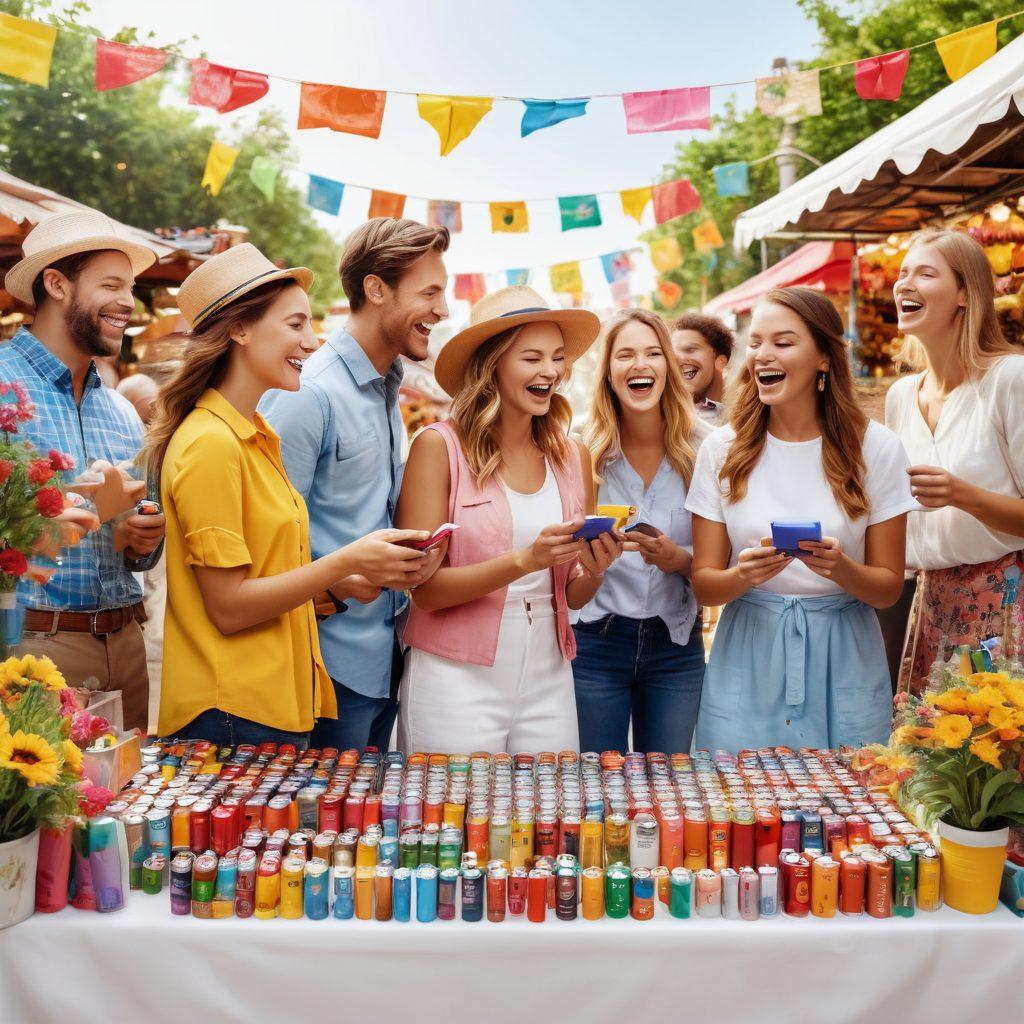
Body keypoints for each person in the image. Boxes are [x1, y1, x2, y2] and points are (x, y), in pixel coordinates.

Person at [148, 244, 431, 747]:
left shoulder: (253, 434)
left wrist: (340, 584)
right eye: (295, 324)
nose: (311, 340)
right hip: (232, 708)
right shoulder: (211, 443)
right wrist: (346, 562)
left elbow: (273, 575)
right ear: (240, 329)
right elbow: (229, 607)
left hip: (275, 700)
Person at [686, 286, 917, 751]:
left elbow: (889, 587)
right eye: (755, 343)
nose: (763, 356)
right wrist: (744, 575)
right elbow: (705, 584)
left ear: (824, 359)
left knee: (848, 806)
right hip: (748, 650)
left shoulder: (877, 448)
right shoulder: (721, 450)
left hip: (846, 650)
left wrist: (841, 569)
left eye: (783, 342)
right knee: (739, 805)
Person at [396, 286, 621, 754]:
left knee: (548, 822)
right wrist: (523, 560)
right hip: (454, 678)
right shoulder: (439, 448)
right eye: (532, 358)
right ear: (492, 364)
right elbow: (424, 590)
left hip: (550, 674)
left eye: (557, 358)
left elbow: (574, 593)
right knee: (455, 823)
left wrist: (597, 566)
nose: (551, 371)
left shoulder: (572, 455)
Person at [261, 218, 450, 752]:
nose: (442, 309)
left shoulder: (385, 388)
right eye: (430, 292)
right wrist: (335, 584)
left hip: (382, 655)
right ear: (376, 288)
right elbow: (264, 541)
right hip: (325, 666)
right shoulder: (309, 392)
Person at [2, 211, 165, 732]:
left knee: (124, 808)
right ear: (56, 284)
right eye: (111, 285)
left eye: (131, 287)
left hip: (126, 646)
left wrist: (142, 535)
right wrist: (49, 522)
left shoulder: (120, 411)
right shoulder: (3, 386)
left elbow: (144, 549)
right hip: (32, 649)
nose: (128, 302)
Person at [885, 229, 1024, 694]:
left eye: (925, 273)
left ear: (965, 294)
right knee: (931, 761)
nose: (904, 284)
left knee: (996, 760)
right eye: (902, 273)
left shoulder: (1009, 378)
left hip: (1005, 602)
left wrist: (962, 495)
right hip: (927, 604)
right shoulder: (901, 395)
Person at [573, 309, 710, 754]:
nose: (640, 364)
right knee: (596, 785)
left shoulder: (707, 448)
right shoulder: (579, 449)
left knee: (670, 788)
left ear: (669, 367)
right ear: (608, 373)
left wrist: (679, 559)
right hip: (594, 642)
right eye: (625, 354)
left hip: (675, 645)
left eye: (653, 353)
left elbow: (719, 560)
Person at [118, 372, 164, 729]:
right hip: (150, 632)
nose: (153, 421)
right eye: (149, 412)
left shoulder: (158, 460)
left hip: (142, 633)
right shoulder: (135, 466)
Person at [671, 312, 733, 424]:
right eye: (673, 353)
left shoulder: (746, 413)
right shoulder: (667, 415)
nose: (677, 359)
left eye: (690, 350)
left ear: (721, 362)